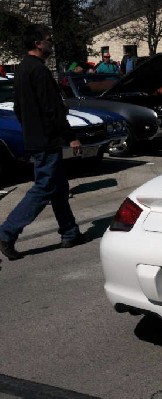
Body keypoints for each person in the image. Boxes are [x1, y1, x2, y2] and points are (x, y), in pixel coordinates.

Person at [0, 24, 88, 261]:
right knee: (44, 187)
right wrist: (70, 136)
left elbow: (18, 108)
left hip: (35, 137)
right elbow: (53, 110)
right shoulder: (39, 70)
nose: (51, 43)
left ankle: (70, 232)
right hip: (47, 139)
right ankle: (6, 232)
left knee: (59, 187)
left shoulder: (22, 69)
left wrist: (30, 129)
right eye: (48, 40)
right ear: (38, 44)